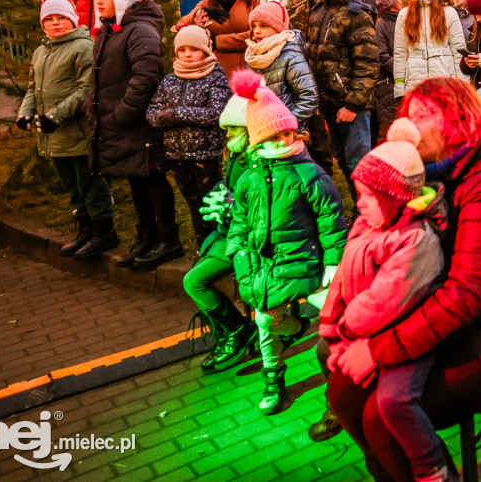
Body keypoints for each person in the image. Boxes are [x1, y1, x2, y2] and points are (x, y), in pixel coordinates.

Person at [325, 77, 481, 481]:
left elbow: (467, 295)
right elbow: (379, 244)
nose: (409, 122)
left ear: (459, 120)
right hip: (458, 322)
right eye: (409, 113)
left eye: (424, 114)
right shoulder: (429, 176)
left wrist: (379, 349)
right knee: (343, 392)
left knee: (382, 416)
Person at [319, 118, 451, 482]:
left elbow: (387, 298)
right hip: (365, 332)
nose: (358, 204)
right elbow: (343, 278)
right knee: (326, 358)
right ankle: (382, 463)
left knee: (394, 400)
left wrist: (347, 329)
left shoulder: (417, 239)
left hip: (405, 336)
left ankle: (432, 467)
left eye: (366, 197)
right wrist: (331, 327)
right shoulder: (367, 225)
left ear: (395, 197)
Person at [229, 70, 348, 414]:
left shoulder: (308, 174)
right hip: (265, 267)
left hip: (306, 262)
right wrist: (239, 255)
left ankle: (341, 380)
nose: (282, 141)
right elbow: (239, 222)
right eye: (272, 136)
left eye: (286, 133)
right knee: (267, 322)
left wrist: (332, 262)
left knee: (335, 317)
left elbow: (331, 220)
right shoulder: (249, 179)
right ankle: (273, 374)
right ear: (257, 141)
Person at [85, 0, 178, 269]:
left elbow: (146, 76)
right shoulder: (111, 29)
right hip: (119, 123)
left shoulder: (139, 30)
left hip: (138, 124)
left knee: (151, 179)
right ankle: (146, 238)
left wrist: (122, 113)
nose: (98, 1)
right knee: (135, 180)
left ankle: (168, 241)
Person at [20, 0, 116, 260]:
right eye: (49, 19)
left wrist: (56, 115)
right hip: (53, 136)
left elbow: (86, 88)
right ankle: (85, 230)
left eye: (61, 17)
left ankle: (104, 232)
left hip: (78, 132)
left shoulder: (83, 47)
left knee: (90, 184)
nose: (55, 23)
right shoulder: (41, 52)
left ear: (72, 19)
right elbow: (31, 87)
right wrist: (25, 113)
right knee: (73, 188)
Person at [182, 92, 256, 375]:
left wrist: (230, 210)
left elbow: (260, 209)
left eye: (234, 129)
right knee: (194, 277)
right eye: (225, 129)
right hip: (232, 233)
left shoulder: (257, 161)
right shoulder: (238, 155)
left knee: (195, 281)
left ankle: (237, 329)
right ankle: (234, 328)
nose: (227, 136)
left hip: (247, 239)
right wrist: (221, 201)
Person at [146, 25, 232, 246]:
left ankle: (225, 246)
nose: (187, 54)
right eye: (182, 49)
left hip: (206, 156)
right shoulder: (170, 80)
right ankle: (203, 246)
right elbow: (152, 110)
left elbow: (217, 112)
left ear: (205, 50)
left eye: (193, 49)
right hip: (177, 155)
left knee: (214, 203)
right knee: (193, 204)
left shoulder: (215, 77)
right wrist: (160, 117)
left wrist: (179, 114)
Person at [304, 0, 379, 188]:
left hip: (351, 105)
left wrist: (354, 105)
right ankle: (359, 210)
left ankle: (368, 215)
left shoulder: (357, 15)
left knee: (359, 164)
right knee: (344, 162)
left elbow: (368, 64)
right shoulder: (316, 12)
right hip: (328, 102)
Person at [177, 0, 260, 75]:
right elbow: (180, 26)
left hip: (250, 69)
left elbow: (257, 36)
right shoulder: (207, 2)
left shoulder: (255, 0)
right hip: (217, 73)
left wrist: (217, 42)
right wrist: (199, 13)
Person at [393, 0, 467, 98]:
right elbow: (400, 54)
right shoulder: (404, 14)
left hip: (445, 82)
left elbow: (459, 51)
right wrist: (399, 88)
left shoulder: (449, 12)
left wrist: (462, 86)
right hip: (415, 83)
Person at [244, 1, 318, 136]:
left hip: (287, 133)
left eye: (264, 25)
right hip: (261, 129)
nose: (257, 30)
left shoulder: (290, 56)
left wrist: (287, 124)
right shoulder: (252, 56)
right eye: (253, 26)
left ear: (278, 27)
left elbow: (309, 96)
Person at [372, 0, 401, 143]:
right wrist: (402, 68)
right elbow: (382, 56)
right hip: (389, 85)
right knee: (392, 131)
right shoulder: (381, 25)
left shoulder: (403, 19)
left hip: (400, 80)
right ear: (392, 2)